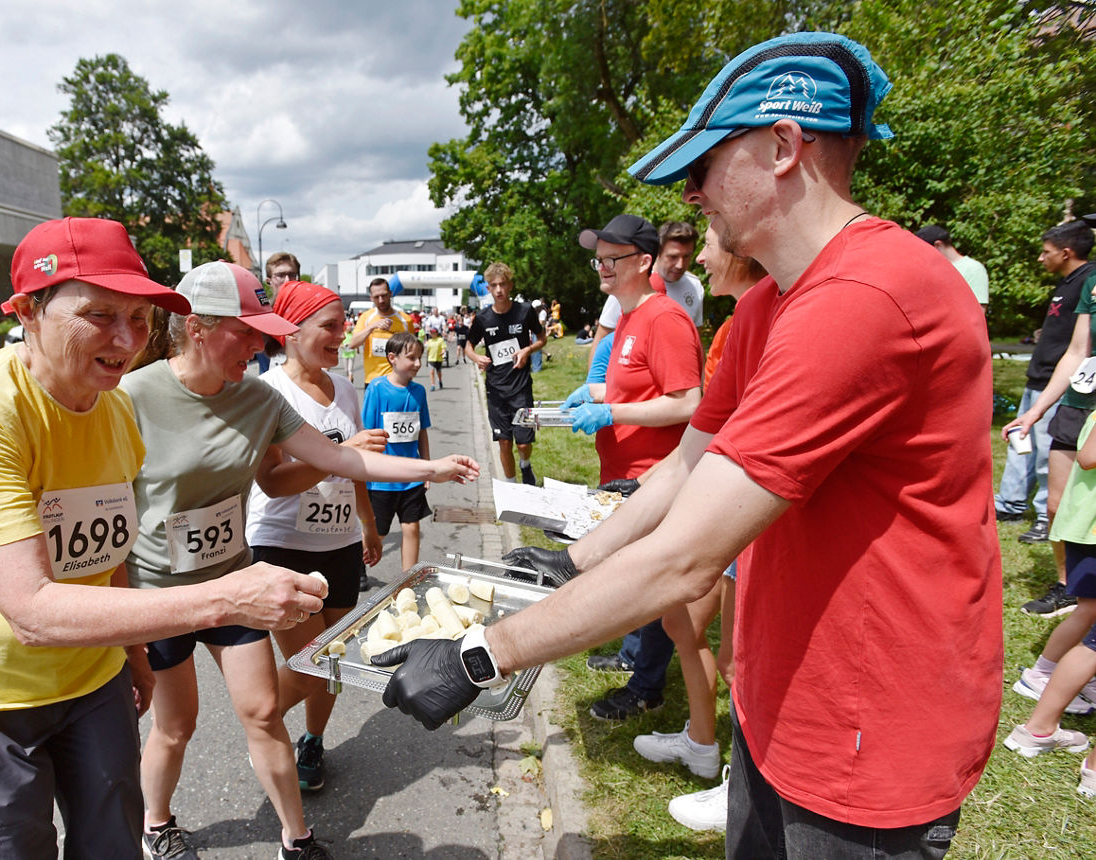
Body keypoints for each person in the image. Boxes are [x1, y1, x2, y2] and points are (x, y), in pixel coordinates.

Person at [376, 32, 1000, 860]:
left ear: (783, 146)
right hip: (789, 698)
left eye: (704, 165)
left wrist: (481, 657)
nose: (692, 192)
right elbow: (688, 463)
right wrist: (575, 560)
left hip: (871, 722)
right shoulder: (772, 304)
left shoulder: (868, 296)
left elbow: (687, 558)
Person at [0, 217, 328, 860]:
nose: (126, 339)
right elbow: (30, 608)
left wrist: (133, 654)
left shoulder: (114, 406)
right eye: (100, 315)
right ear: (29, 311)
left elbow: (108, 546)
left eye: (140, 318)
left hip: (90, 675)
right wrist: (229, 598)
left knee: (114, 842)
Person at [122, 265, 478, 859]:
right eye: (247, 332)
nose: (260, 345)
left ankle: (296, 837)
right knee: (176, 724)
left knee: (263, 710)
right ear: (197, 328)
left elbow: (341, 461)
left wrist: (430, 468)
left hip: (234, 579)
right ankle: (155, 824)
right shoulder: (134, 396)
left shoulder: (257, 397)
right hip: (158, 590)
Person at [641, 221, 767, 834]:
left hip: (745, 506)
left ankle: (740, 785)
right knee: (683, 620)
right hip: (716, 491)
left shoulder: (763, 315)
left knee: (740, 650)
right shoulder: (743, 317)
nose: (695, 260)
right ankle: (701, 740)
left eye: (710, 242)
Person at [562, 213, 704, 720]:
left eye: (612, 257)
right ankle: (631, 657)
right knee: (632, 573)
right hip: (622, 472)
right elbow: (632, 386)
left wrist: (611, 411)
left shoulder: (664, 318)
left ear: (644, 262)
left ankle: (647, 688)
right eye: (598, 256)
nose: (600, 265)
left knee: (653, 584)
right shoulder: (626, 316)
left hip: (653, 475)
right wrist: (594, 394)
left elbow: (689, 402)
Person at [1003, 221, 1096, 615]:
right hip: (1077, 403)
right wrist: (1036, 411)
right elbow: (1076, 351)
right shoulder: (1091, 287)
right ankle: (1068, 587)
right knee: (1057, 505)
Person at [1004, 406, 1096, 797]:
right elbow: (1090, 456)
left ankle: (1039, 721)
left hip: (1084, 527)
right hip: (1088, 529)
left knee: (1090, 620)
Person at [467, 264, 547, 485]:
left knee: (522, 443)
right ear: (489, 289)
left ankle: (525, 463)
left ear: (510, 285)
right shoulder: (483, 318)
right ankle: (511, 487)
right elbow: (468, 346)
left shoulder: (524, 311)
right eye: (494, 285)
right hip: (495, 389)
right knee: (503, 442)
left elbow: (542, 338)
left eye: (503, 284)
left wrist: (527, 349)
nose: (499, 289)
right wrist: (477, 358)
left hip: (520, 387)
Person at [363, 332, 434, 572]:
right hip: (382, 479)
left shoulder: (419, 392)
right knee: (379, 532)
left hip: (411, 475)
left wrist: (427, 467)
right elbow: (368, 432)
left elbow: (421, 431)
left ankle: (408, 581)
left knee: (412, 527)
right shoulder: (377, 389)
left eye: (420, 358)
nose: (417, 363)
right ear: (392, 358)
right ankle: (357, 566)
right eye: (411, 358)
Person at [589, 221, 703, 358]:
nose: (680, 264)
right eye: (673, 257)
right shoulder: (630, 282)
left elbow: (696, 342)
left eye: (686, 256)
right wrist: (593, 378)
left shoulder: (695, 287)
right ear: (658, 253)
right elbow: (602, 339)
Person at [348, 277, 413, 384]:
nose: (381, 300)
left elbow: (413, 351)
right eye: (376, 297)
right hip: (373, 380)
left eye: (384, 295)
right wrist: (371, 327)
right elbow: (352, 344)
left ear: (390, 294)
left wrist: (395, 335)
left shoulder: (405, 320)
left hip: (400, 380)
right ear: (371, 298)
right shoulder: (366, 317)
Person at [914, 224, 989, 312]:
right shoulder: (930, 270)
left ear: (938, 245)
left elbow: (979, 311)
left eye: (923, 251)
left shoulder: (972, 268)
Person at [254, 252, 301, 374]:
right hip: (268, 385)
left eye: (292, 275)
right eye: (280, 275)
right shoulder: (259, 313)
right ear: (268, 281)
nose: (287, 281)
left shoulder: (309, 311)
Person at [426, 325, 447, 390]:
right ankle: (433, 385)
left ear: (437, 333)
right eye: (431, 333)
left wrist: (443, 352)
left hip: (438, 358)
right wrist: (427, 359)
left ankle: (440, 381)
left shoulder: (440, 340)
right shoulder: (429, 341)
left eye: (434, 333)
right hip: (431, 359)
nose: (433, 334)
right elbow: (427, 351)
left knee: (438, 372)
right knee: (432, 372)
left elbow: (443, 348)